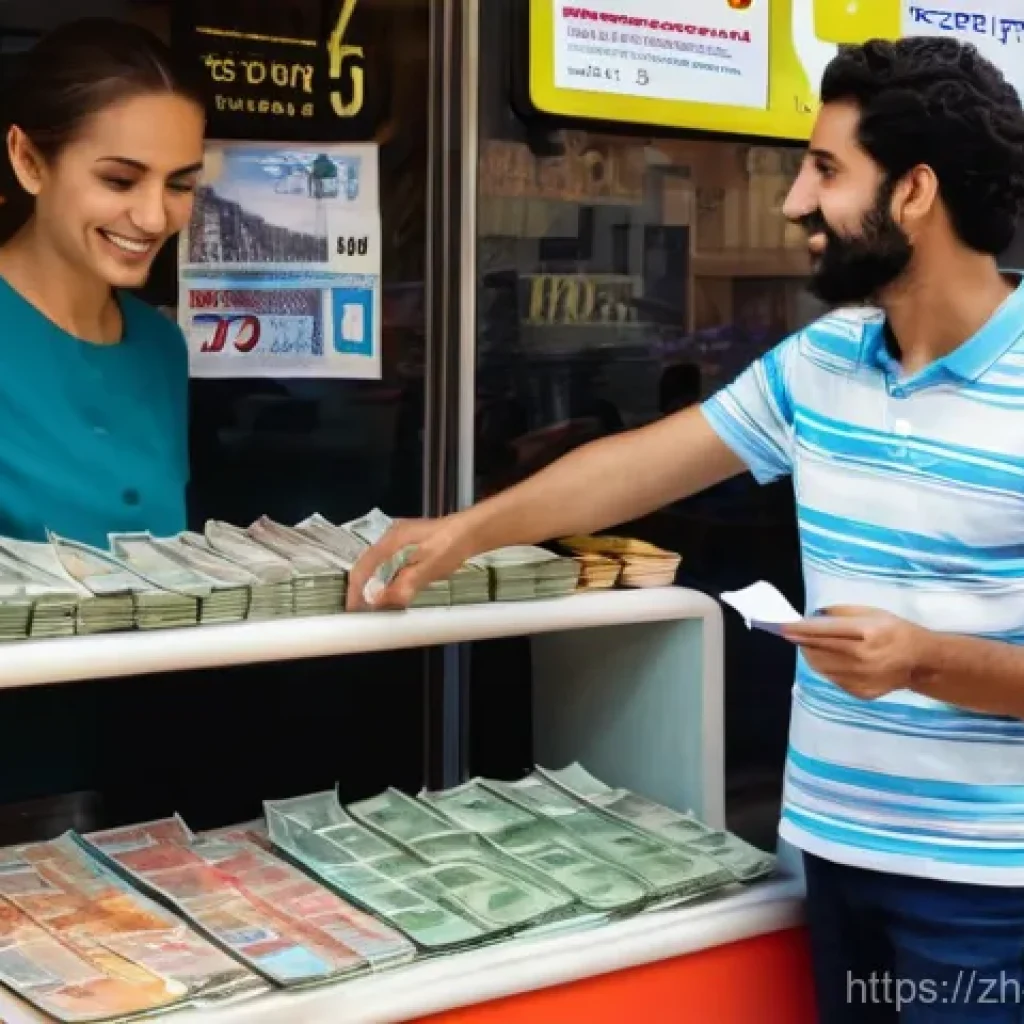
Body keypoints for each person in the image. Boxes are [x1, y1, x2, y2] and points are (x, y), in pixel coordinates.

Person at [349, 37, 1024, 1023]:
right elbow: (641, 463)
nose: (794, 201)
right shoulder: (824, 361)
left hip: (990, 893)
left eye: (825, 170)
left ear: (914, 191)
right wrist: (467, 530)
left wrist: (923, 660)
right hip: (830, 858)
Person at [0, 19, 204, 810]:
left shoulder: (158, 347)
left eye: (180, 183)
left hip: (131, 783)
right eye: (120, 180)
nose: (154, 216)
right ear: (27, 159)